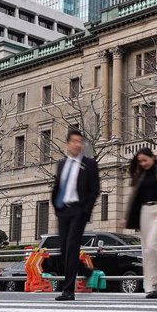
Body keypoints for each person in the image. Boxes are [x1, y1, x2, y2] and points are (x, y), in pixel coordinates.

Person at [51, 129, 100, 301]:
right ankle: (85, 271)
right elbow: (57, 186)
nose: (78, 144)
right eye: (74, 141)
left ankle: (68, 290)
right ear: (68, 144)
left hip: (78, 211)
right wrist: (56, 208)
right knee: (64, 250)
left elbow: (95, 190)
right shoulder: (62, 164)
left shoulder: (90, 164)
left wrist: (85, 211)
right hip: (63, 210)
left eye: (80, 141)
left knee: (72, 248)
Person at [122, 148, 157, 299]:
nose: (143, 163)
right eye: (140, 161)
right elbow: (134, 199)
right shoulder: (139, 175)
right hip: (144, 213)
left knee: (152, 247)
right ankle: (151, 287)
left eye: (145, 160)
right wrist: (127, 217)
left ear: (152, 157)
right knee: (146, 251)